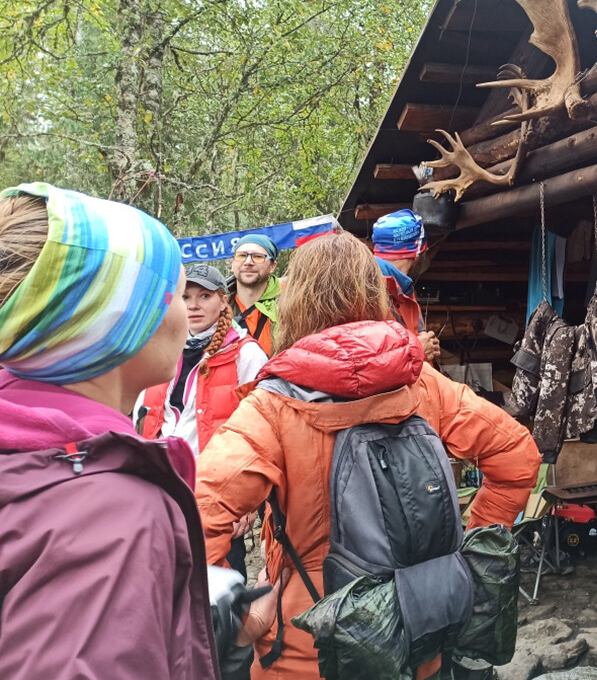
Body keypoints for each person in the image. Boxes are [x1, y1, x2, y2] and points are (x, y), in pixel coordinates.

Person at [195, 231, 541, 679]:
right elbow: (516, 454)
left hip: (309, 646)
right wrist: (470, 554)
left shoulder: (272, 407)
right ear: (374, 293)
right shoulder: (424, 384)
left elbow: (196, 516)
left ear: (293, 301)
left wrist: (238, 619)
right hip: (417, 630)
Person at [0, 183, 218, 679]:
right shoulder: (112, 514)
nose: (186, 313)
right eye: (176, 292)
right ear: (122, 319)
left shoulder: (27, 451)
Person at [137, 262, 268, 579]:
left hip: (218, 498)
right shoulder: (158, 350)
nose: (193, 305)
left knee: (217, 590)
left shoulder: (246, 355)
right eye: (185, 296)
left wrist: (248, 503)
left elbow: (262, 434)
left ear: (223, 300)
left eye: (204, 296)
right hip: (160, 492)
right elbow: (140, 420)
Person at [372, 209, 440, 362]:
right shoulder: (368, 290)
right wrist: (417, 351)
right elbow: (366, 364)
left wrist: (427, 346)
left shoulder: (404, 289)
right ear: (418, 254)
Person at [230, 232, 280, 356]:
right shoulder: (217, 307)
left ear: (272, 266)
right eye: (241, 256)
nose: (248, 262)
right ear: (232, 263)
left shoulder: (289, 305)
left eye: (258, 257)